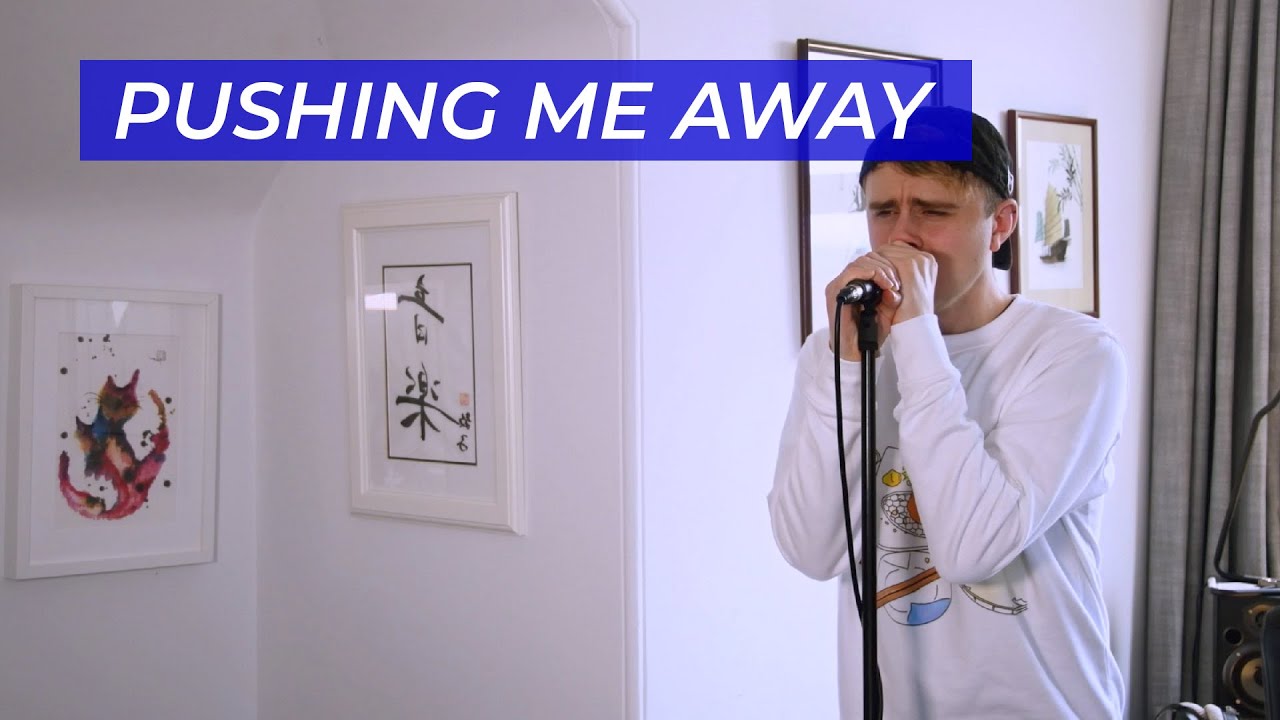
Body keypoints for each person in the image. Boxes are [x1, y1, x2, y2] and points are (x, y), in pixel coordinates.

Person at [768, 107, 1127, 719]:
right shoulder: (836, 351)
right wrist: (846, 367)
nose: (902, 237)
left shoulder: (1074, 354)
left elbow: (972, 548)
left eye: (933, 212)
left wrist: (918, 335)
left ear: (1000, 224)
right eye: (884, 211)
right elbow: (812, 550)